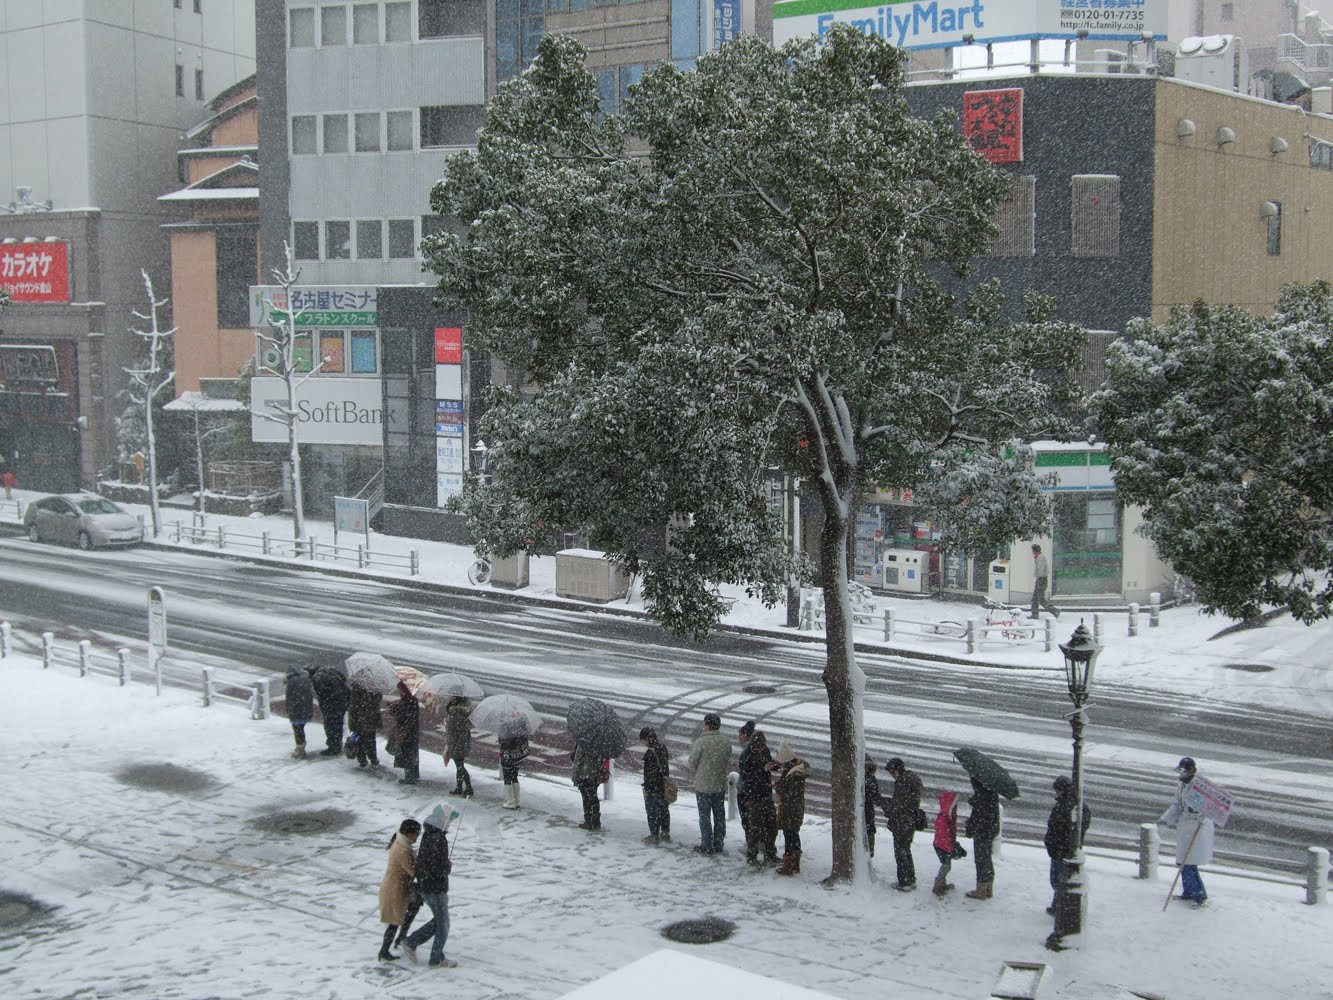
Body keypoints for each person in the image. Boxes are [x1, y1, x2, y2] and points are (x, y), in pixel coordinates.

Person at [402, 806, 458, 968]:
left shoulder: (430, 834)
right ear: (443, 820)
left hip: (427, 884)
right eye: (450, 819)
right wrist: (447, 867)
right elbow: (435, 867)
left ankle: (412, 942)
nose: (451, 823)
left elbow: (427, 862)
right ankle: (435, 958)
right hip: (435, 887)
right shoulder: (438, 838)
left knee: (440, 921)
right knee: (443, 923)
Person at [1158, 756, 1214, 909]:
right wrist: (1165, 820)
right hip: (1185, 825)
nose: (1181, 774)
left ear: (1191, 770)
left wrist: (1203, 816)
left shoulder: (1200, 785)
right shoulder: (1182, 784)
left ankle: (1200, 895)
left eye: (1184, 771)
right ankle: (1188, 891)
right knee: (1183, 862)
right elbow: (1177, 805)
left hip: (1197, 827)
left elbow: (1210, 806)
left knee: (1189, 863)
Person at [1044, 775, 1092, 914]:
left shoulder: (1064, 806)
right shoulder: (1078, 804)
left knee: (1058, 880)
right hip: (1065, 848)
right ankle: (1058, 905)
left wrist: (1053, 842)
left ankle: (1060, 906)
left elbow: (1056, 827)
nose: (1056, 792)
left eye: (1057, 789)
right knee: (1062, 879)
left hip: (1060, 849)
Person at [377, 818, 421, 961]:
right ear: (408, 834)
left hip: (397, 887)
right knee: (394, 921)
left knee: (412, 908)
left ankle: (401, 938)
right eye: (416, 834)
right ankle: (384, 951)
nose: (417, 836)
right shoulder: (402, 850)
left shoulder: (401, 842)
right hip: (395, 889)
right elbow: (413, 871)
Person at [687, 713, 731, 855]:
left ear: (707, 725)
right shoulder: (725, 741)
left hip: (703, 785)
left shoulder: (701, 742)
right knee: (719, 815)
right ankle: (719, 843)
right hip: (718, 784)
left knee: (704, 816)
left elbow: (692, 762)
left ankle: (706, 844)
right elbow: (726, 759)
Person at [737, 721, 779, 867]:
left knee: (771, 826)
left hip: (766, 794)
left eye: (763, 747)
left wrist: (774, 765)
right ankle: (752, 856)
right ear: (754, 745)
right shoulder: (746, 756)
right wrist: (763, 769)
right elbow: (747, 777)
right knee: (755, 828)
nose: (761, 750)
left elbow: (770, 762)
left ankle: (770, 853)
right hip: (753, 796)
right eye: (759, 748)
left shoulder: (765, 751)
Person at [770, 741, 811, 876]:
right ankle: (795, 862)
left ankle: (788, 865)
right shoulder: (796, 769)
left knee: (789, 835)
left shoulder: (794, 774)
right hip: (796, 808)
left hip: (790, 809)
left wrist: (778, 787)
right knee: (794, 834)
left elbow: (786, 791)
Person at [883, 757, 924, 891]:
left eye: (892, 772)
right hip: (910, 821)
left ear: (897, 771)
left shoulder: (902, 783)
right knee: (906, 850)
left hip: (902, 822)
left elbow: (898, 805)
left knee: (900, 852)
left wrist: (886, 807)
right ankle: (911, 879)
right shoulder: (913, 780)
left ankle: (904, 882)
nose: (892, 776)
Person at [964, 777, 1000, 900]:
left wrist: (969, 827)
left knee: (981, 859)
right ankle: (989, 887)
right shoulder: (991, 792)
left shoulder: (981, 796)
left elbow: (977, 817)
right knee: (986, 857)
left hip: (982, 832)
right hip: (990, 830)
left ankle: (981, 890)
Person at [639, 727, 671, 845]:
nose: (642, 743)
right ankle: (665, 832)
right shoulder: (662, 747)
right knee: (663, 809)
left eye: (642, 740)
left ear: (647, 739)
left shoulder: (650, 753)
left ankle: (654, 835)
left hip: (653, 786)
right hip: (663, 785)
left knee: (652, 811)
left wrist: (647, 785)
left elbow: (650, 773)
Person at [309, 663, 350, 756]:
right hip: (342, 700)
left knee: (330, 725)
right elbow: (343, 678)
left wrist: (327, 696)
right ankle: (337, 744)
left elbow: (320, 692)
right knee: (338, 724)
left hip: (332, 704)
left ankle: (334, 747)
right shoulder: (330, 669)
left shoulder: (317, 677)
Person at [931, 790, 965, 897]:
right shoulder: (944, 817)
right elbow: (942, 835)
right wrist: (950, 847)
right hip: (942, 846)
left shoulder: (948, 816)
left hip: (944, 845)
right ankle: (938, 885)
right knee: (946, 866)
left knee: (946, 864)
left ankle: (941, 883)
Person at [389, 680, 420, 785]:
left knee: (407, 754)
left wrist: (394, 709)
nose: (399, 692)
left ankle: (410, 777)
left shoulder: (408, 701)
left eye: (400, 690)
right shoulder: (411, 700)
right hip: (411, 732)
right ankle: (413, 775)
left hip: (407, 732)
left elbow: (403, 716)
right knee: (411, 754)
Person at [571, 739, 605, 831]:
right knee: (593, 796)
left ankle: (588, 820)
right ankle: (596, 821)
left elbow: (577, 760)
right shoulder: (600, 743)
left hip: (584, 774)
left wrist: (575, 777)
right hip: (594, 775)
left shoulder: (583, 741)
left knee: (586, 798)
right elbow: (600, 760)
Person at [348, 682, 383, 768]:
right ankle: (373, 759)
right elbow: (378, 699)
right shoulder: (375, 686)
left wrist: (352, 722)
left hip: (360, 719)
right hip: (373, 718)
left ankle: (362, 760)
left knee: (359, 740)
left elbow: (354, 706)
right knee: (371, 740)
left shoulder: (357, 687)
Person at [445, 696, 474, 797]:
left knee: (459, 765)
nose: (449, 696)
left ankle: (467, 787)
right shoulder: (465, 710)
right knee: (460, 765)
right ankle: (461, 787)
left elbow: (453, 727)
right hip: (462, 740)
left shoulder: (456, 711)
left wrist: (447, 723)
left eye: (452, 694)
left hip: (458, 741)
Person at [284, 665, 315, 759]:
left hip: (296, 709)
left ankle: (300, 749)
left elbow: (289, 698)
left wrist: (288, 709)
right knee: (300, 728)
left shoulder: (291, 682)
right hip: (306, 708)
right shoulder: (305, 679)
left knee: (297, 729)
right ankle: (301, 746)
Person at [863, 759, 888, 857]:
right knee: (868, 831)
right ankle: (868, 853)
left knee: (866, 831)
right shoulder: (870, 779)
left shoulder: (865, 778)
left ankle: (867, 853)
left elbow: (874, 796)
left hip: (865, 810)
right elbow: (875, 796)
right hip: (867, 810)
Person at [498, 731, 529, 809]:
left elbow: (503, 742)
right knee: (514, 777)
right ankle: (517, 801)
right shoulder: (521, 723)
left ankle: (510, 802)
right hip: (518, 756)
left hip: (508, 756)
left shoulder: (505, 727)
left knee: (507, 778)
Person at [1029, 543, 1060, 618]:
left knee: (1040, 599)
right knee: (1035, 598)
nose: (1032, 552)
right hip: (1041, 580)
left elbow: (1041, 570)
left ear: (1036, 551)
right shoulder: (1038, 557)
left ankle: (1054, 611)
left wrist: (1038, 578)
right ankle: (1035, 614)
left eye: (1033, 550)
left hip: (1041, 580)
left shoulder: (1041, 558)